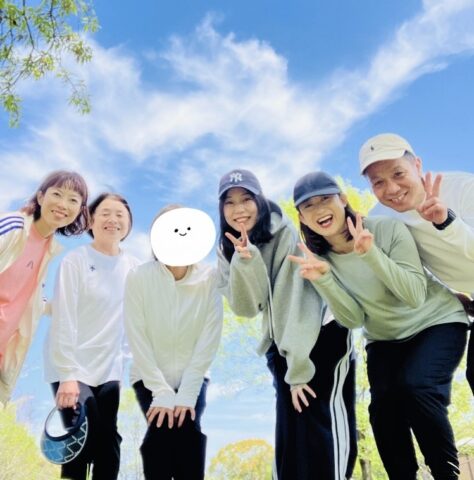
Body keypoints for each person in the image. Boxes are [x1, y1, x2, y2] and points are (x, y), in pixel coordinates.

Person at [289, 171, 469, 480]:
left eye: (325, 199)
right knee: (383, 411)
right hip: (384, 338)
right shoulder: (319, 260)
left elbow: (414, 295)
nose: (319, 210)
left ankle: (447, 474)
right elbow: (354, 320)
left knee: (416, 386)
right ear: (302, 217)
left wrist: (370, 254)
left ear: (343, 200)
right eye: (309, 206)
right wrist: (325, 280)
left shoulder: (386, 229)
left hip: (436, 321)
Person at [217, 169, 357, 480]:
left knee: (321, 438)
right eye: (230, 202)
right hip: (283, 344)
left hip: (318, 337)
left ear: (260, 200)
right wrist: (245, 260)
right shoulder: (227, 247)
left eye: (246, 199)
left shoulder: (283, 232)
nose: (239, 209)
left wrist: (298, 369)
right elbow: (246, 307)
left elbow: (295, 300)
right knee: (291, 449)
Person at [359, 132, 474, 394]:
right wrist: (449, 296)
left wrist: (446, 222)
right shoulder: (381, 220)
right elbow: (407, 270)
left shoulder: (463, 188)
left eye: (398, 174)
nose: (392, 189)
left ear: (418, 165)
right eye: (378, 182)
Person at [44, 192, 140, 480]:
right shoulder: (75, 260)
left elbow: (135, 320)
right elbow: (64, 317)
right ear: (91, 221)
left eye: (120, 215)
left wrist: (127, 362)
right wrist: (67, 375)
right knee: (80, 438)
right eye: (105, 213)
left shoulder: (134, 267)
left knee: (108, 442)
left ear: (128, 223)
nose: (113, 220)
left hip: (109, 370)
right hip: (71, 365)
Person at [124, 205, 223, 480]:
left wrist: (187, 393)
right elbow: (137, 335)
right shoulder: (138, 277)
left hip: (194, 375)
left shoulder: (209, 278)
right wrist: (161, 391)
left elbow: (209, 336)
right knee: (164, 429)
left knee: (186, 429)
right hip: (148, 376)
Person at [0, 170, 89, 406]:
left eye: (73, 200)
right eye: (57, 194)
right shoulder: (13, 226)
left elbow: (27, 300)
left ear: (80, 210)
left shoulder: (49, 249)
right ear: (40, 197)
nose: (63, 205)